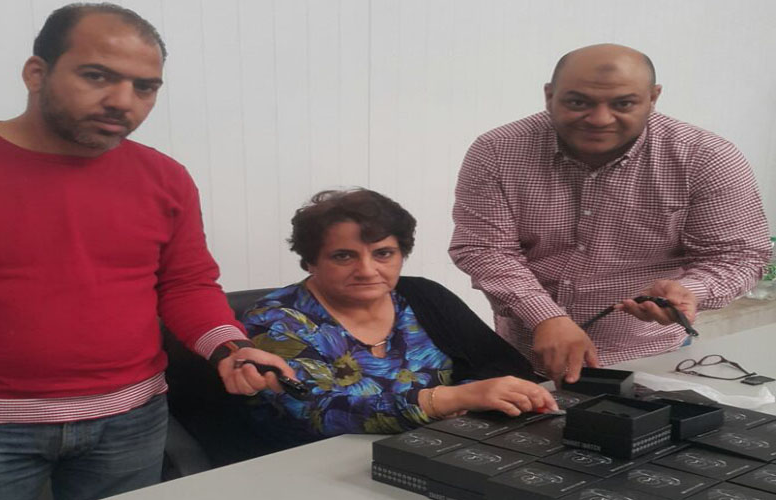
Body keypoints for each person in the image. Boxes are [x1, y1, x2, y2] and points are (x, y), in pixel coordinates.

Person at [0, 4, 293, 500]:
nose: (122, 101)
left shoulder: (165, 178)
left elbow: (187, 284)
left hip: (130, 422)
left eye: (144, 87)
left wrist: (231, 349)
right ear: (36, 73)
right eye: (97, 76)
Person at [449, 43, 771, 384]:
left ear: (653, 98)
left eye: (623, 104)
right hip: (523, 352)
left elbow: (738, 255)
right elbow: (485, 249)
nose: (600, 119)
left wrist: (690, 290)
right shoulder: (498, 151)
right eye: (578, 102)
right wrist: (544, 316)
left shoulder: (705, 158)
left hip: (652, 356)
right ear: (549, 96)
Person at [242, 189, 557, 445]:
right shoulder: (277, 319)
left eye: (383, 254)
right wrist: (451, 400)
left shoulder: (423, 295)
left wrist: (468, 399)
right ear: (310, 261)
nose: (367, 270)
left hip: (439, 445)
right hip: (314, 467)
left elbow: (502, 367)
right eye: (343, 256)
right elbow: (317, 412)